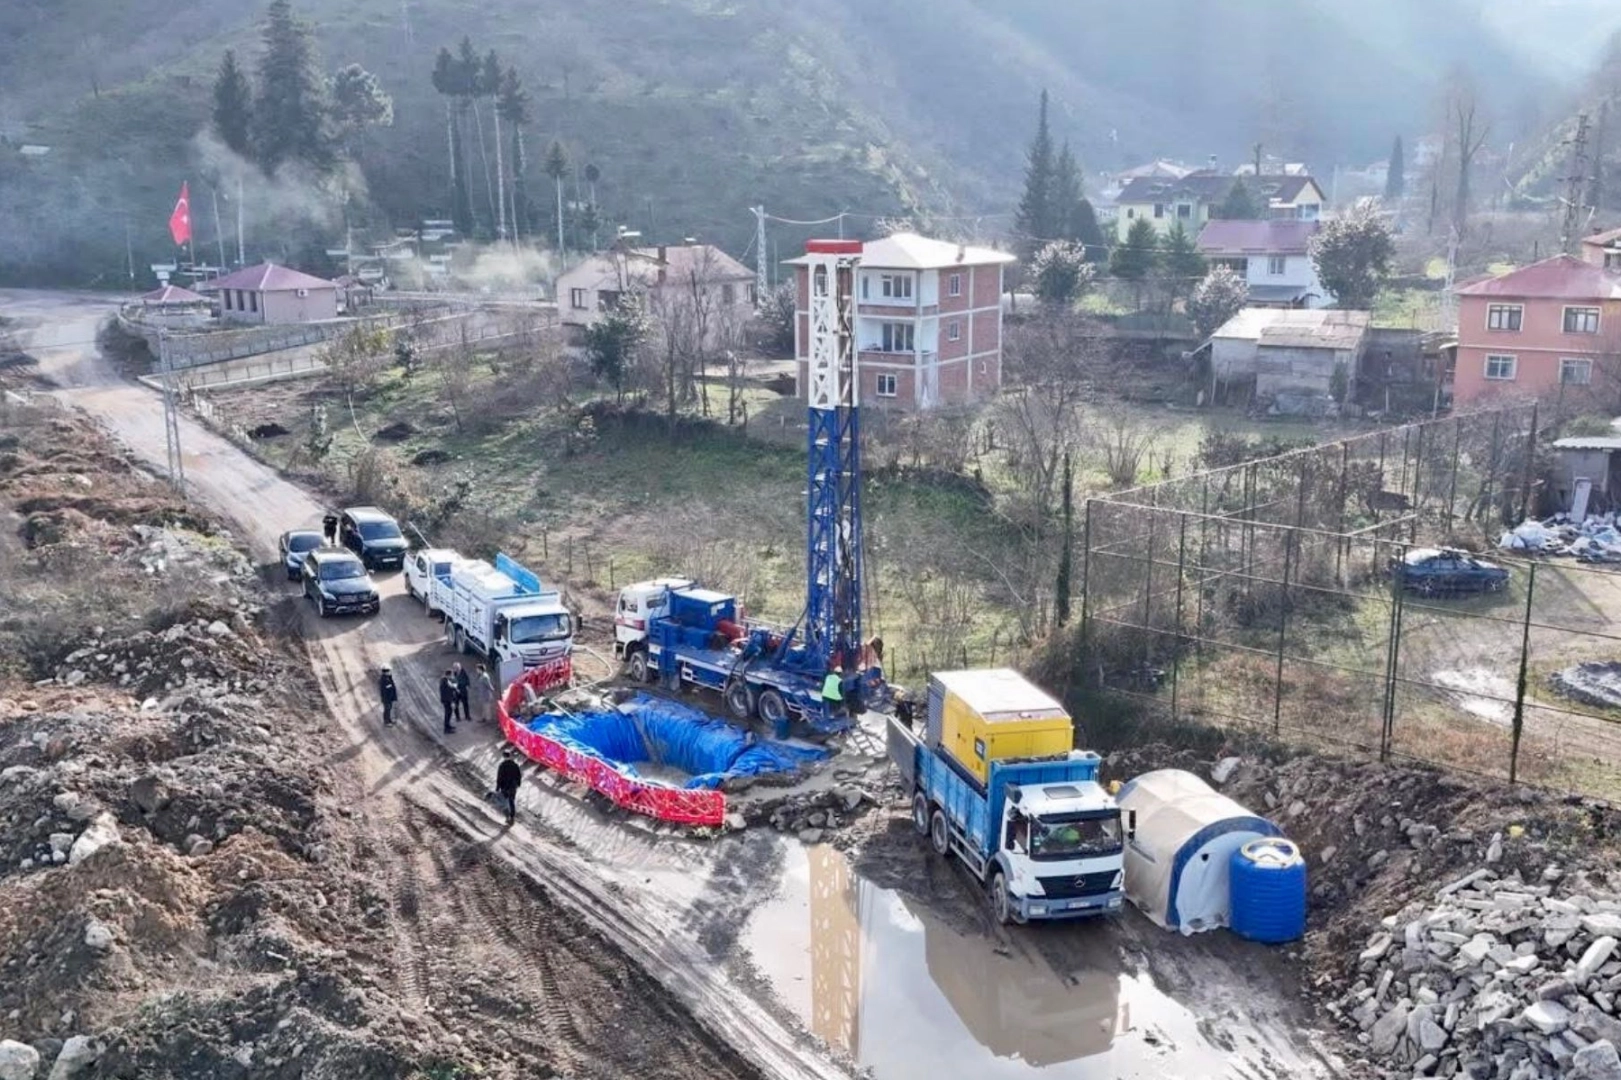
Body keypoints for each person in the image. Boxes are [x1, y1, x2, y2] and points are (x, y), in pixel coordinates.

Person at [495, 748, 523, 826]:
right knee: (511, 802)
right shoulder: (515, 765)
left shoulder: (502, 765)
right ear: (510, 756)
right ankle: (512, 818)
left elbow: (499, 777)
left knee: (503, 802)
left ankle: (507, 817)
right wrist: (518, 784)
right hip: (513, 787)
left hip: (504, 786)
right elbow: (519, 776)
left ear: (504, 756)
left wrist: (497, 788)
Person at [438, 669, 458, 734]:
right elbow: (450, 688)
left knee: (449, 712)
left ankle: (448, 726)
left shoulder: (444, 680)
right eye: (451, 675)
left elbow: (450, 686)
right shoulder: (445, 681)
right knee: (448, 713)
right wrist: (455, 688)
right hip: (447, 700)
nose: (452, 676)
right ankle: (446, 729)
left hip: (445, 699)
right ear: (448, 675)